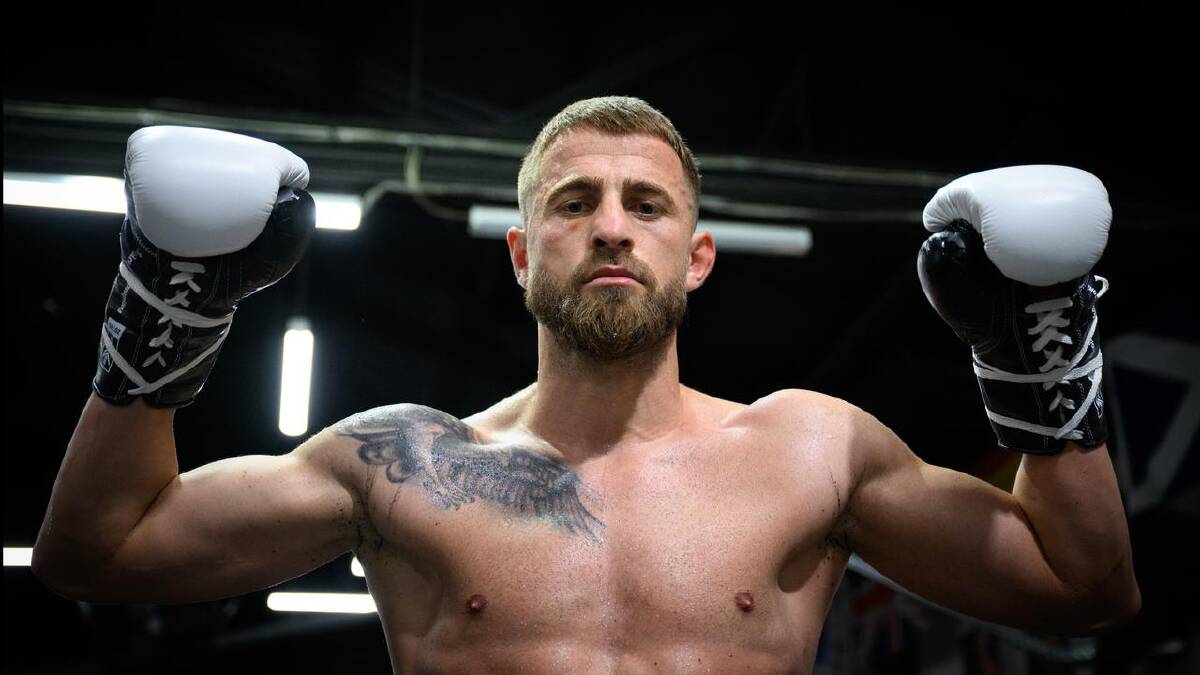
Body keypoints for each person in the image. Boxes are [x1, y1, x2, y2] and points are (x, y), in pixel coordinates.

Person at [33, 97, 1140, 673]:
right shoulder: (409, 461)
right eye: (573, 203)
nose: (611, 225)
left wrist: (1037, 366)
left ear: (697, 258)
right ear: (522, 255)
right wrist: (168, 319)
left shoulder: (815, 450)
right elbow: (98, 551)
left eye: (646, 205)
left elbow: (1083, 586)